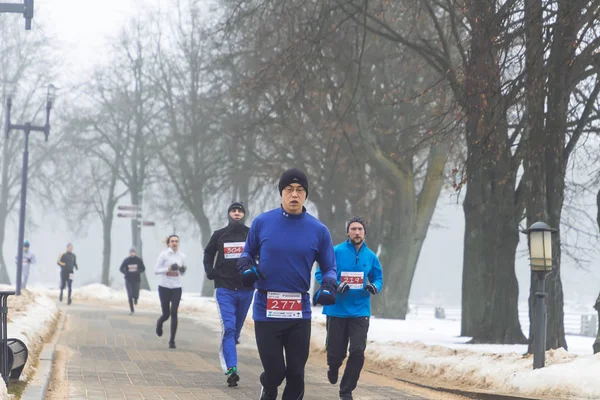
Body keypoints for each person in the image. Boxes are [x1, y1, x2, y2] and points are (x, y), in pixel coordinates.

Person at [237, 168, 338, 400]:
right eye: (289, 189)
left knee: (296, 374)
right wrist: (245, 268)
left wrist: (328, 285)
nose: (294, 194)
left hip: (298, 313)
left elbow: (329, 266)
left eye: (300, 190)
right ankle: (267, 384)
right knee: (275, 372)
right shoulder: (262, 222)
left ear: (306, 195)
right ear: (281, 193)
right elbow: (246, 253)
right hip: (266, 309)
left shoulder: (319, 230)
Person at [316, 216, 383, 400]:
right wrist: (336, 285)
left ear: (364, 233)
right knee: (336, 351)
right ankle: (333, 365)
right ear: (348, 232)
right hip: (337, 309)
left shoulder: (370, 256)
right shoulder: (336, 251)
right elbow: (320, 272)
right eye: (353, 229)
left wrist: (374, 287)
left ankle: (346, 390)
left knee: (357, 352)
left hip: (360, 311)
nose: (356, 232)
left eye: (360, 229)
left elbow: (378, 277)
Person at [204, 201, 253, 387]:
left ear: (244, 215)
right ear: (229, 214)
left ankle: (231, 345)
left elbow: (262, 254)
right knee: (229, 329)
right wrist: (210, 270)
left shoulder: (251, 234)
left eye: (240, 211)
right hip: (224, 288)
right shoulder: (219, 235)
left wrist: (258, 271)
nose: (237, 213)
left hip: (246, 289)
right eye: (233, 210)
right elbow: (208, 254)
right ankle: (231, 369)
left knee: (236, 331)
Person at [154, 234, 187, 349]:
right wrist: (168, 269)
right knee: (166, 314)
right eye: (172, 241)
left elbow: (181, 272)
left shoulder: (182, 256)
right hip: (164, 287)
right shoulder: (164, 255)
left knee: (174, 312)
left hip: (177, 287)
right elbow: (156, 270)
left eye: (176, 241)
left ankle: (172, 340)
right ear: (168, 243)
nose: (174, 243)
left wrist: (182, 270)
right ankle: (159, 323)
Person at [119, 247, 146, 315]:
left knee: (135, 294)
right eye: (131, 252)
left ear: (135, 253)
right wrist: (125, 272)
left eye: (133, 252)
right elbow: (121, 268)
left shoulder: (138, 260)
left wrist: (138, 271)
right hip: (128, 279)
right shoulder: (126, 260)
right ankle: (132, 310)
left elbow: (143, 268)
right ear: (129, 253)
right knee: (130, 295)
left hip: (136, 279)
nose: (132, 253)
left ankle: (136, 299)